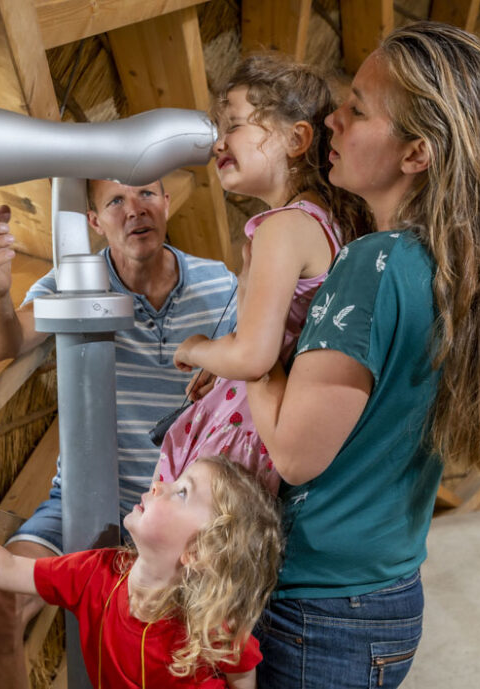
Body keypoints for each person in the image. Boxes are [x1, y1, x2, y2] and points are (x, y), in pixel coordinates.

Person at [244, 22, 480, 688]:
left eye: (357, 107)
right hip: (385, 596)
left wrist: (254, 355)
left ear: (416, 153)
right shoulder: (455, 268)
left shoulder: (373, 264)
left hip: (323, 608)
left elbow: (295, 452)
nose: (333, 118)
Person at [0, 179, 237, 688]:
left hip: (181, 513)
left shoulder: (220, 286)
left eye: (148, 194)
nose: (135, 211)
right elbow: (6, 341)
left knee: (216, 633)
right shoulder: (75, 281)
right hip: (82, 501)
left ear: (168, 202)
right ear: (94, 221)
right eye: (115, 201)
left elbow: (262, 365)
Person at [156, 53, 368, 494]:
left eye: (233, 125)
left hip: (246, 430)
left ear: (296, 139)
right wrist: (223, 362)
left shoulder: (283, 229)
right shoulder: (322, 222)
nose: (218, 144)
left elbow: (254, 358)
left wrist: (198, 349)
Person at [0, 455, 283, 689]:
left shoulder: (215, 624)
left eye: (182, 492)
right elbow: (4, 568)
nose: (160, 484)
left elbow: (242, 677)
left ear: (198, 552)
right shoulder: (95, 573)